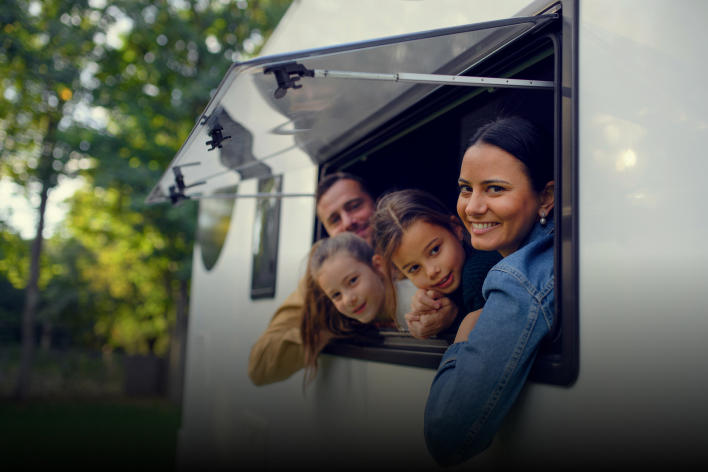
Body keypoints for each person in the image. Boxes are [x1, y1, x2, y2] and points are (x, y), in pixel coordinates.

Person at [423, 116, 556, 466]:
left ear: (546, 197)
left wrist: (465, 333)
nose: (472, 207)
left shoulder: (519, 277)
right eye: (466, 188)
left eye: (495, 189)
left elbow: (447, 435)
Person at [247, 172, 419, 386]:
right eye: (335, 219)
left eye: (354, 206)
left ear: (375, 203)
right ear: (328, 232)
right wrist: (331, 322)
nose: (348, 222)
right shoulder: (320, 286)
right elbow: (260, 366)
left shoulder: (415, 240)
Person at [371, 189, 502, 338]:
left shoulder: (479, 273)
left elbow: (493, 338)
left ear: (455, 228)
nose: (431, 271)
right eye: (414, 268)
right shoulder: (440, 289)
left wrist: (451, 321)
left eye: (434, 250)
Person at [300, 232, 396, 385]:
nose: (348, 299)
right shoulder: (351, 325)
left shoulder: (419, 300)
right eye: (336, 295)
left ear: (378, 266)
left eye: (352, 281)